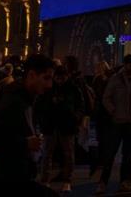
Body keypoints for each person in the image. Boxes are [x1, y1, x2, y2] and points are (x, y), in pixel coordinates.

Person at [0, 54, 57, 196]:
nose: (49, 85)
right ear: (32, 75)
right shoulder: (14, 101)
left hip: (15, 177)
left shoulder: (30, 99)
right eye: (46, 78)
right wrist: (25, 143)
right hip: (5, 180)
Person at [99, 54, 131, 193]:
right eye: (130, 65)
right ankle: (103, 182)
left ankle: (124, 181)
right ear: (125, 65)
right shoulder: (116, 79)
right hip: (118, 121)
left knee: (127, 153)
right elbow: (106, 98)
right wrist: (113, 111)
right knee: (111, 153)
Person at [37, 64, 84, 192]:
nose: (59, 80)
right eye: (57, 78)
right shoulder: (50, 88)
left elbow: (80, 105)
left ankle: (66, 180)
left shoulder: (72, 89)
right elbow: (41, 104)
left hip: (66, 124)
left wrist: (75, 117)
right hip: (52, 124)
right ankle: (46, 180)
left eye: (61, 78)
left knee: (67, 154)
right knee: (48, 154)